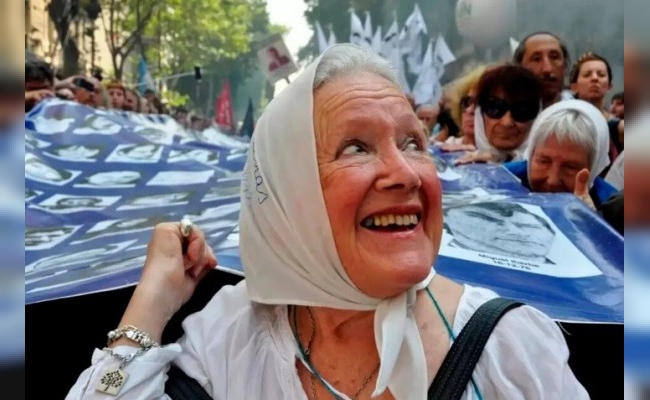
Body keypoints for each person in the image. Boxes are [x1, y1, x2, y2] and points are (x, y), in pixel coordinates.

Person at [66, 44, 588, 400]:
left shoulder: (510, 350)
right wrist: (150, 306)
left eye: (413, 142)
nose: (405, 171)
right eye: (356, 147)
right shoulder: (231, 338)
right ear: (291, 194)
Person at [504, 100, 615, 209]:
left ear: (594, 167)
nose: (553, 181)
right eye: (544, 161)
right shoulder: (498, 181)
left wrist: (590, 221)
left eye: (570, 167)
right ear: (531, 155)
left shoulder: (615, 215)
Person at [455, 64, 542, 165]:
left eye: (521, 110)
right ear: (479, 114)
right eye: (495, 108)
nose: (507, 122)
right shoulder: (454, 166)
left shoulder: (546, 173)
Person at [513, 32, 570, 109]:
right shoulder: (503, 117)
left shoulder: (583, 115)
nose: (547, 69)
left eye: (554, 57)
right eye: (536, 59)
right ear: (519, 68)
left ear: (565, 66)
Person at [440, 64, 488, 152]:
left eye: (481, 104)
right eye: (467, 102)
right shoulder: (439, 152)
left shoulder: (513, 160)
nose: (470, 110)